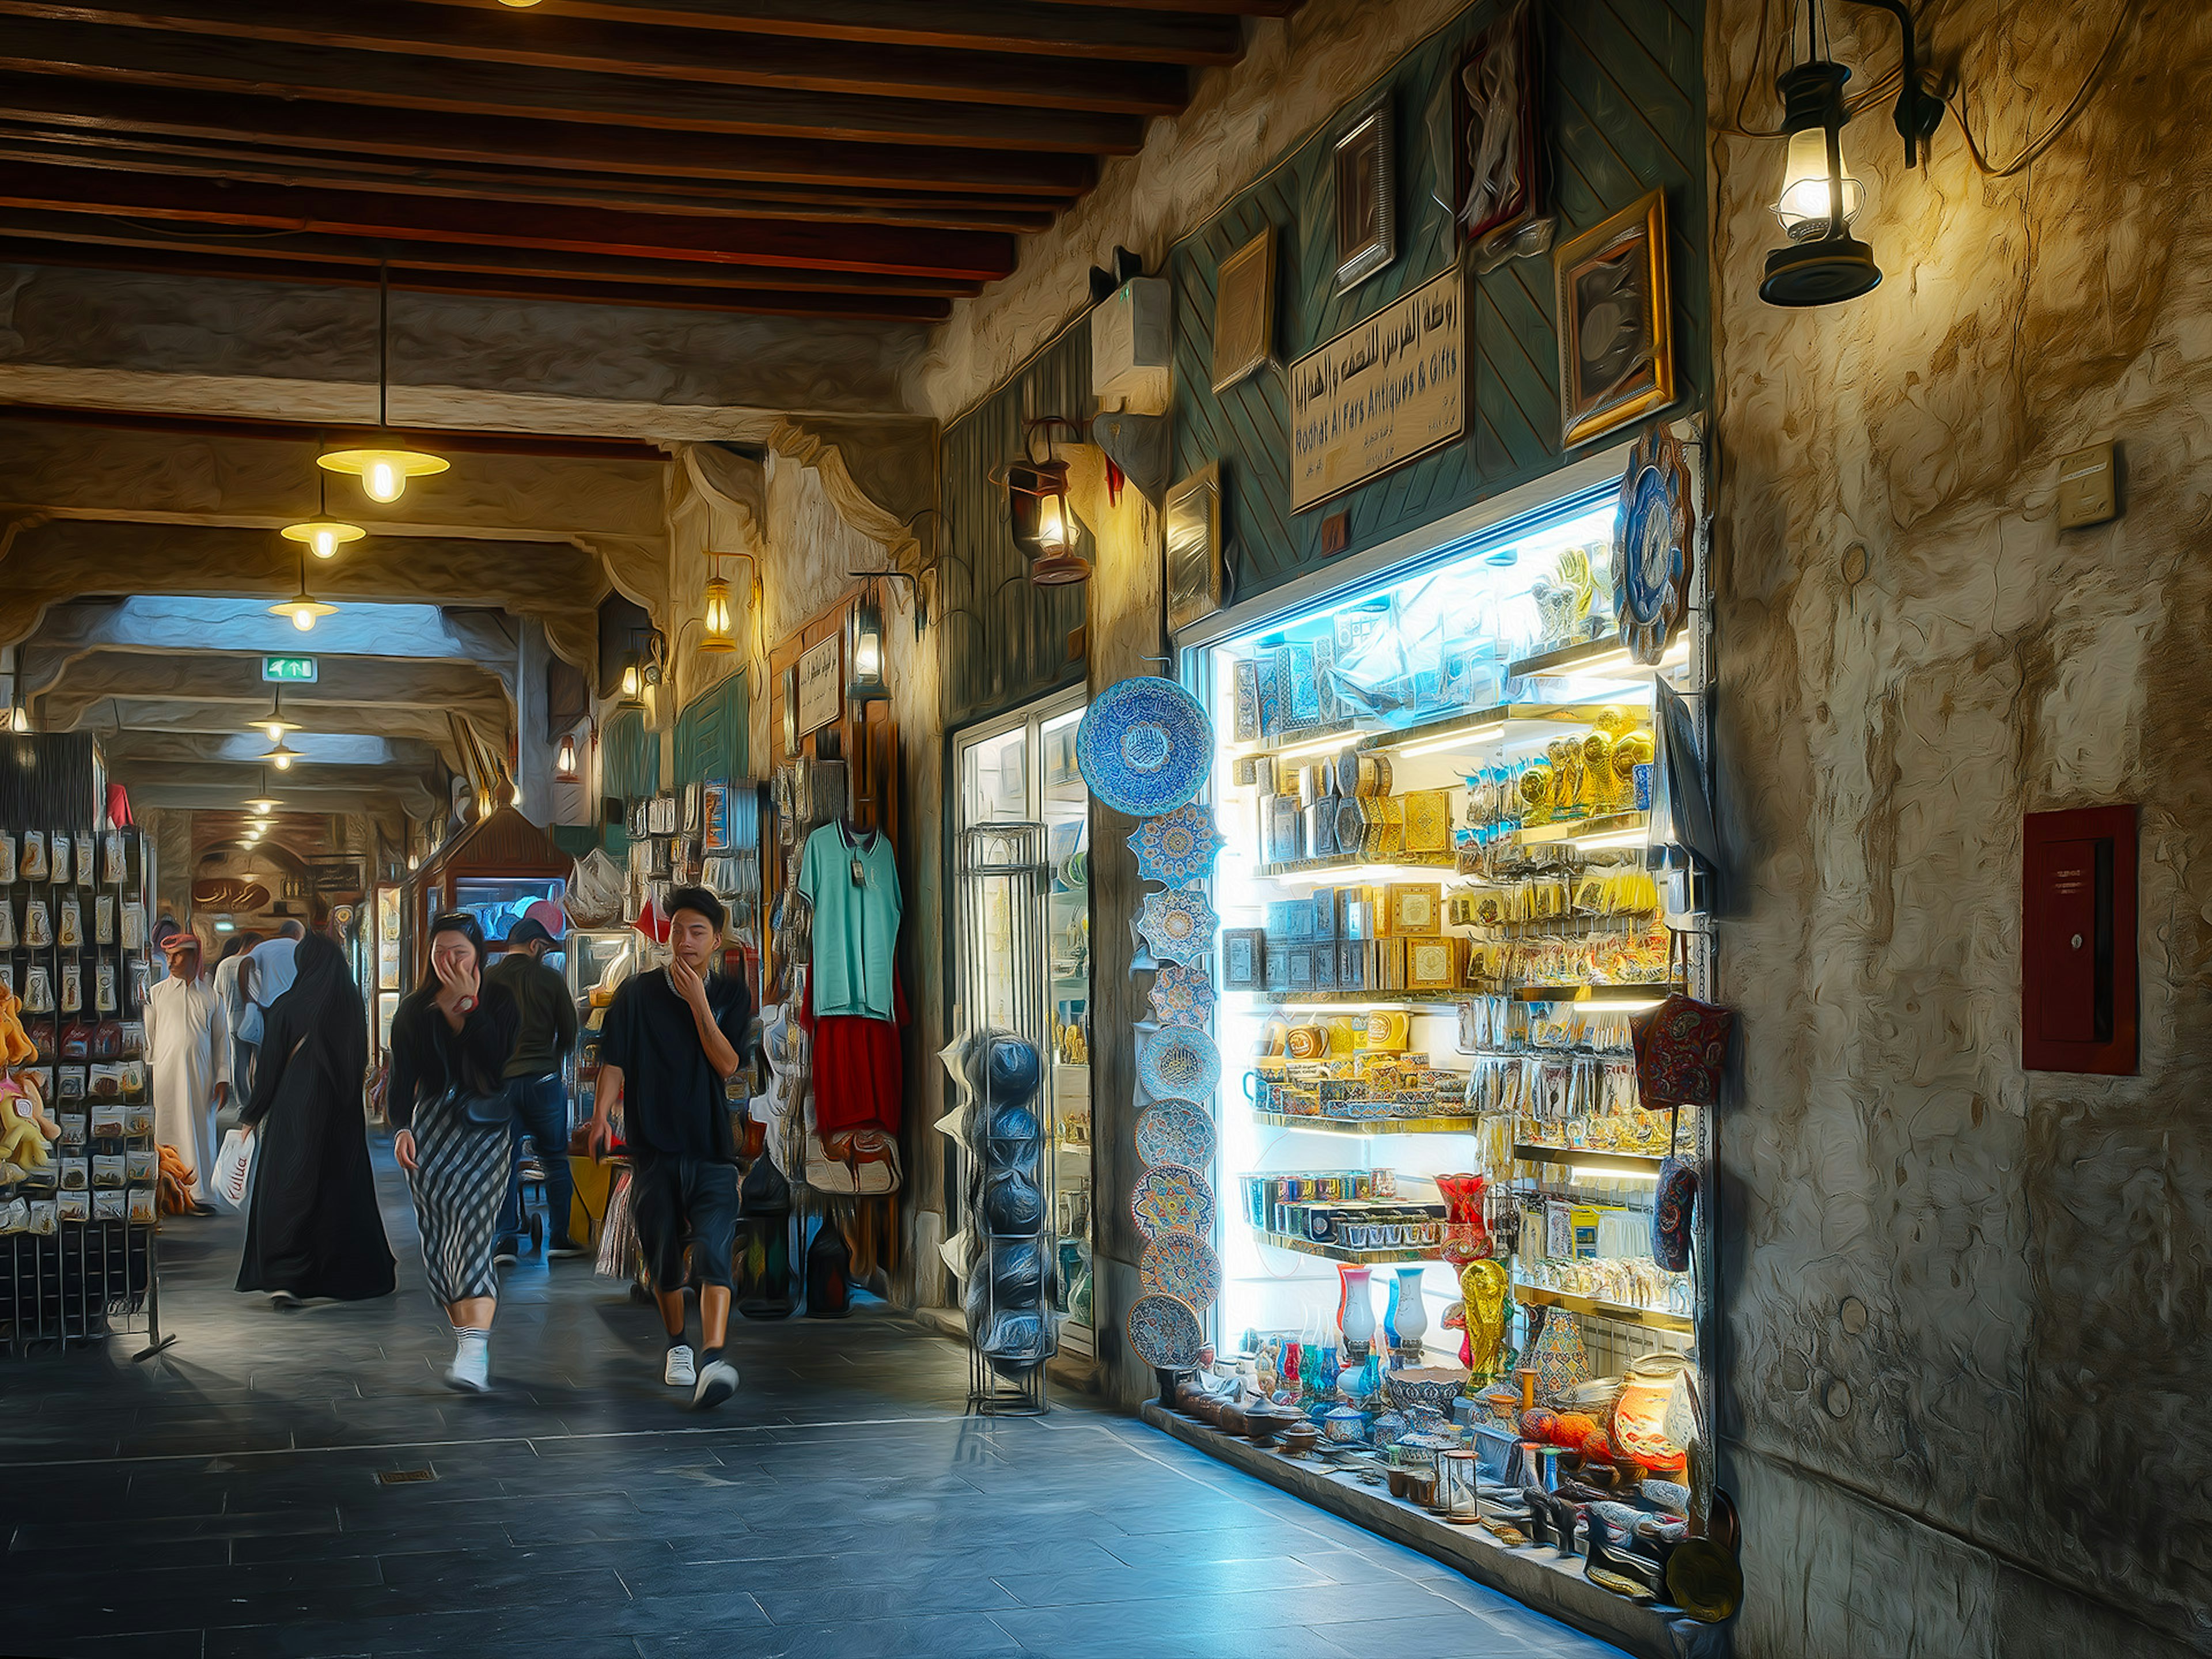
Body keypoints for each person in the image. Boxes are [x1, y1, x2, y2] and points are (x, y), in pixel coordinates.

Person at [588, 886, 749, 1410]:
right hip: (653, 1148)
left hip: (711, 1151)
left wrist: (700, 1002)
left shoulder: (730, 996)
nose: (683, 941)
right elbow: (614, 1061)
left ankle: (715, 1358)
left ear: (716, 940)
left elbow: (727, 1065)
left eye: (696, 932)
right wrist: (597, 1119)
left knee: (713, 1249)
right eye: (676, 929)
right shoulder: (636, 995)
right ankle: (679, 1346)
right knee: (662, 1258)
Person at [386, 912, 520, 1393]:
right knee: (440, 1244)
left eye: (459, 952)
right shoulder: (413, 1010)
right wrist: (400, 1128)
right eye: (440, 951)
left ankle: (474, 1351)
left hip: (485, 1135)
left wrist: (469, 1005)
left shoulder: (501, 1001)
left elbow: (498, 1066)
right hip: (431, 1135)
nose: (449, 960)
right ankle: (467, 1343)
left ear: (478, 955)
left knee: (476, 1236)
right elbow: (401, 1081)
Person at [235, 930, 396, 1308]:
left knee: (290, 1186)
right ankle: (340, 1273)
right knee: (339, 1192)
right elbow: (359, 1063)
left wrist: (252, 1115)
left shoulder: (288, 1005)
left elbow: (270, 1069)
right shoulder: (351, 1006)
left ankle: (286, 1276)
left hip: (296, 1108)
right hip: (342, 1114)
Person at [487, 916, 581, 1264]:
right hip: (544, 1082)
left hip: (501, 1087)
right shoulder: (550, 980)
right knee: (555, 1159)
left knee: (504, 1164)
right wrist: (552, 1062)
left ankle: (505, 1242)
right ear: (534, 946)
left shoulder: (487, 980)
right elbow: (569, 1031)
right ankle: (559, 1237)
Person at [146, 929, 230, 1214]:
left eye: (178, 955)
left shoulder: (212, 998)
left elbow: (222, 1041)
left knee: (199, 1132)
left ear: (194, 957)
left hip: (200, 1078)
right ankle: (167, 1195)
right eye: (168, 956)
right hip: (164, 1077)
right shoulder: (156, 994)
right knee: (166, 1132)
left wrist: (223, 1079)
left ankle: (199, 1194)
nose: (171, 961)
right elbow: (148, 1039)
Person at [211, 932, 262, 1093]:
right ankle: (259, 1101)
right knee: (260, 1063)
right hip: (255, 1021)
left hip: (231, 1020)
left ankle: (243, 1105)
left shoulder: (224, 965)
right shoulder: (253, 963)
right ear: (253, 946)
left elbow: (218, 994)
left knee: (238, 1063)